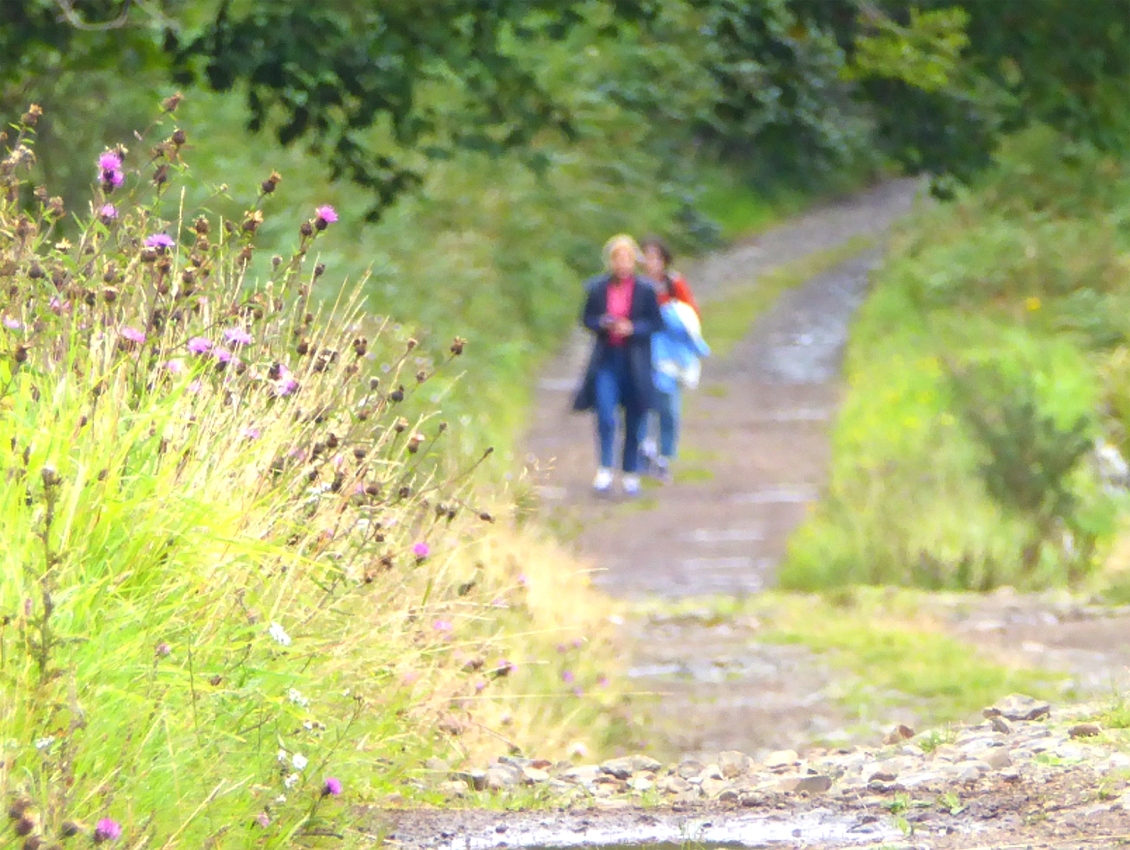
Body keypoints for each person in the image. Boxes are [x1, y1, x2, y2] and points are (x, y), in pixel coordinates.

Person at [573, 234, 662, 496]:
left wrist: (632, 328)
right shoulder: (598, 288)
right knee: (605, 413)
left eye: (627, 259)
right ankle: (604, 469)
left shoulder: (646, 290)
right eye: (617, 259)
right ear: (610, 261)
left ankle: (631, 472)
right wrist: (604, 323)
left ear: (634, 262)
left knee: (635, 416)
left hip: (635, 361)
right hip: (606, 359)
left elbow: (656, 323)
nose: (622, 264)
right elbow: (586, 319)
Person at [638, 236, 708, 482]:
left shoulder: (673, 283)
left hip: (671, 354)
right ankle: (644, 450)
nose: (651, 262)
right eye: (647, 257)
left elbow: (692, 316)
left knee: (668, 404)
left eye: (655, 257)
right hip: (643, 349)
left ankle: (665, 454)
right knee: (643, 402)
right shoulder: (636, 285)